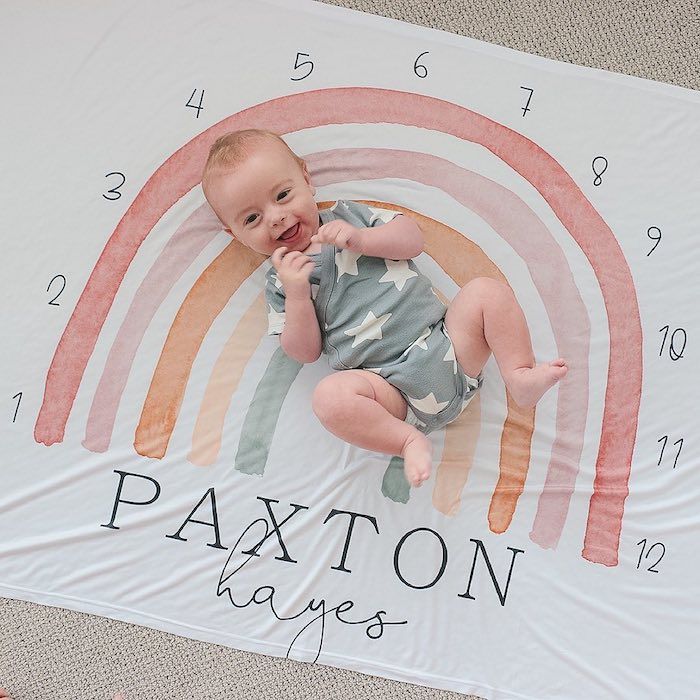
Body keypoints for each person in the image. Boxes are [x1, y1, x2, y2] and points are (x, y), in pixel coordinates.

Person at [202, 129, 568, 488]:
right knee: (329, 399)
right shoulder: (282, 283)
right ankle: (407, 441)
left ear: (306, 178)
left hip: (448, 347)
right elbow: (303, 352)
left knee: (486, 292)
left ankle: (519, 375)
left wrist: (361, 239)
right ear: (234, 234)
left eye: (283, 195)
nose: (276, 218)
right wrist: (298, 295)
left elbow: (413, 241)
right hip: (390, 393)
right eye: (251, 219)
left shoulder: (352, 217)